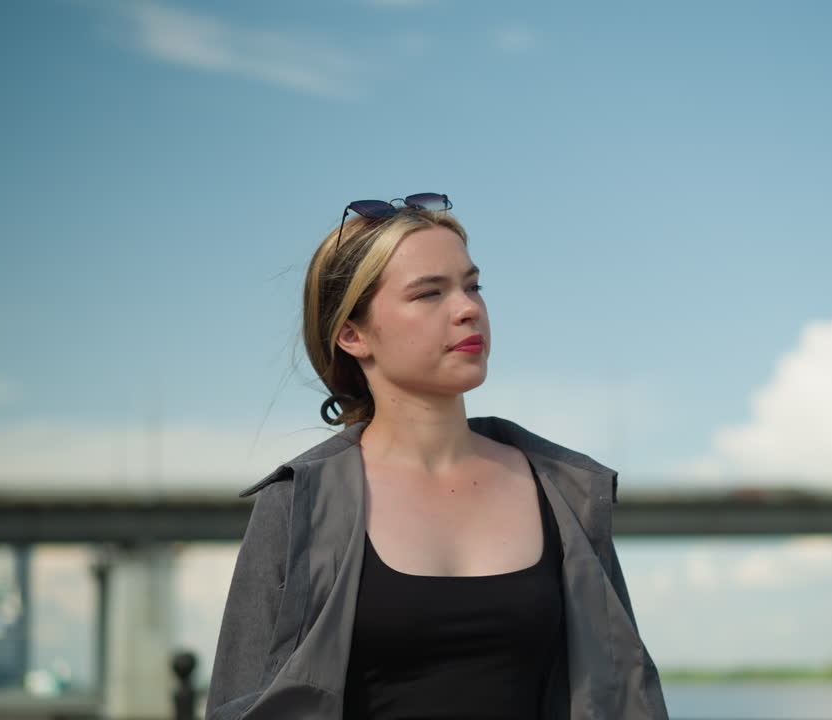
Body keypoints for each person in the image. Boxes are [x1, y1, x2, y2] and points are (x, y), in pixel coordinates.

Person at [205, 194, 669, 720]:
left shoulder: (566, 492)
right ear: (352, 335)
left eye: (472, 286)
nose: (468, 308)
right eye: (429, 294)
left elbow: (626, 695)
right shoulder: (296, 504)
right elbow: (239, 704)